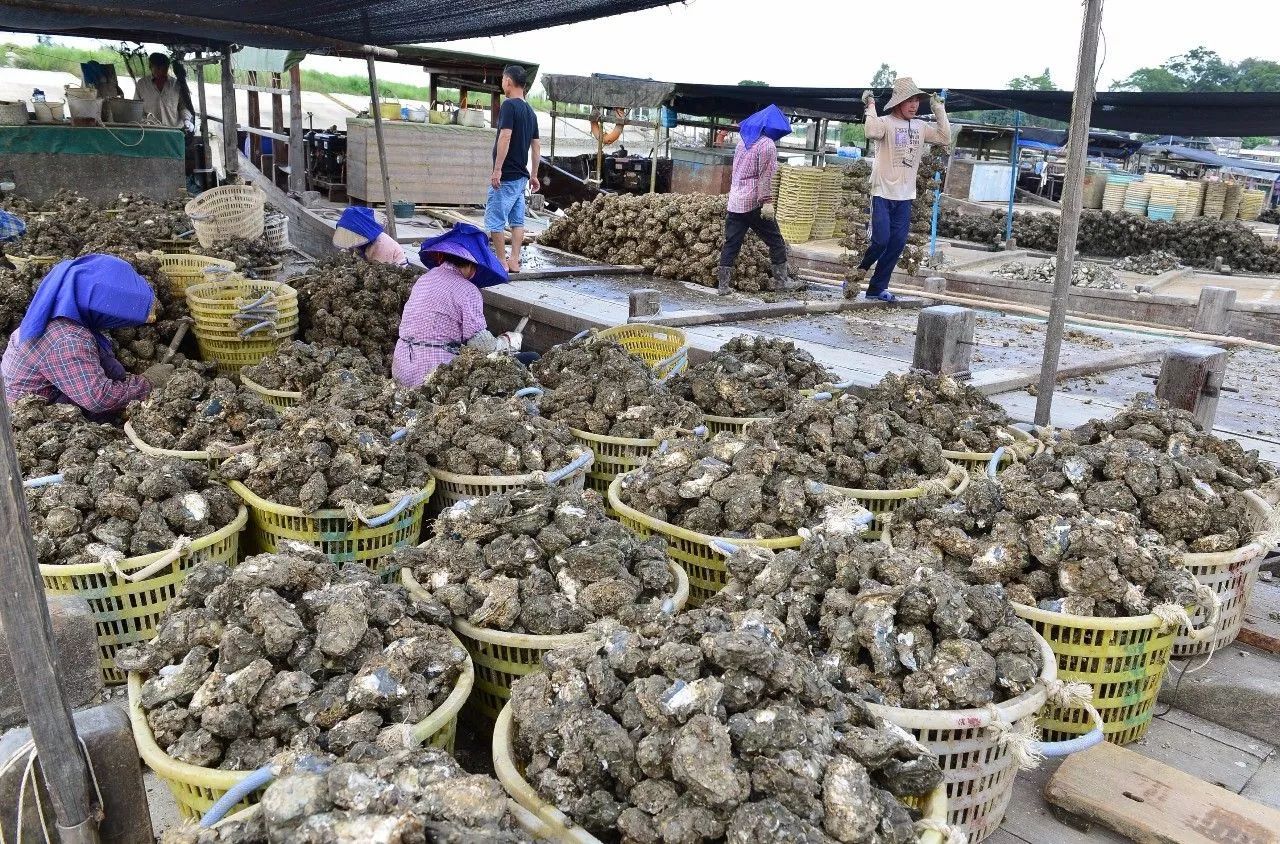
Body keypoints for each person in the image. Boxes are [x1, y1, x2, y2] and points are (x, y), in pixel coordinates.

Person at [2, 254, 173, 417]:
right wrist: (148, 383)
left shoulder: (59, 313)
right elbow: (98, 398)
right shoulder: (66, 338)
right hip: (30, 418)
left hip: (51, 399)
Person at [847, 78, 950, 302]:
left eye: (917, 101)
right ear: (898, 103)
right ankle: (857, 273)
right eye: (909, 101)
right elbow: (871, 131)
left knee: (896, 244)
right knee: (880, 240)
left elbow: (944, 137)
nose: (914, 105)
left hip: (905, 196)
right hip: (881, 193)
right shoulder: (884, 122)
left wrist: (938, 109)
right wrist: (871, 105)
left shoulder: (921, 126)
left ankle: (876, 289)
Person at [392, 223, 529, 387]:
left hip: (401, 366)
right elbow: (481, 345)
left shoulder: (424, 279)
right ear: (472, 265)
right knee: (531, 358)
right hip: (433, 374)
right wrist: (506, 342)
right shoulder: (468, 290)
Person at [718, 104, 796, 295]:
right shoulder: (767, 145)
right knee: (776, 241)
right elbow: (765, 176)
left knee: (731, 243)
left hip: (735, 202)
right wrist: (767, 202)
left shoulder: (742, 142)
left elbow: (735, 172)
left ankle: (723, 286)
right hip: (754, 202)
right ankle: (781, 282)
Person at [487, 64, 540, 274]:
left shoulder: (509, 106)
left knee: (495, 219)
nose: (502, 84)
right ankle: (514, 260)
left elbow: (505, 136)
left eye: (502, 80)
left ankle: (501, 261)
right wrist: (534, 174)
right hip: (521, 176)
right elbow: (536, 146)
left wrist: (497, 169)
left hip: (507, 174)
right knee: (517, 220)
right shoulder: (530, 112)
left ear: (508, 81)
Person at [332, 206, 408, 266]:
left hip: (393, 267)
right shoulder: (359, 242)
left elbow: (379, 268)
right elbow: (352, 250)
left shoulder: (381, 245)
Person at [134, 52, 190, 129]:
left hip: (173, 130)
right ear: (151, 67)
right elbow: (136, 107)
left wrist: (187, 120)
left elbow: (183, 107)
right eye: (158, 68)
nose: (161, 71)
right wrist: (143, 122)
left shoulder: (176, 84)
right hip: (150, 129)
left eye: (165, 68)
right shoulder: (141, 84)